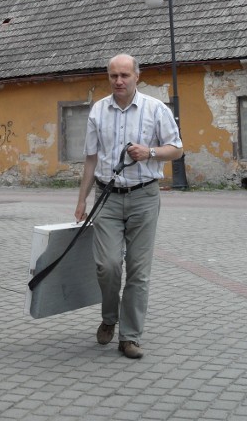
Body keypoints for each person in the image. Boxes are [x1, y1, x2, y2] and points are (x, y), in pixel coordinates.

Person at [74, 53, 183, 359]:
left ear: (137, 76)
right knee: (107, 265)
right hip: (107, 197)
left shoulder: (155, 109)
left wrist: (149, 152)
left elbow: (176, 149)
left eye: (124, 75)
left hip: (144, 197)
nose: (118, 81)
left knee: (138, 270)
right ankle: (109, 317)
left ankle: (130, 336)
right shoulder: (98, 110)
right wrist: (82, 199)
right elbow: (91, 158)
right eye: (113, 76)